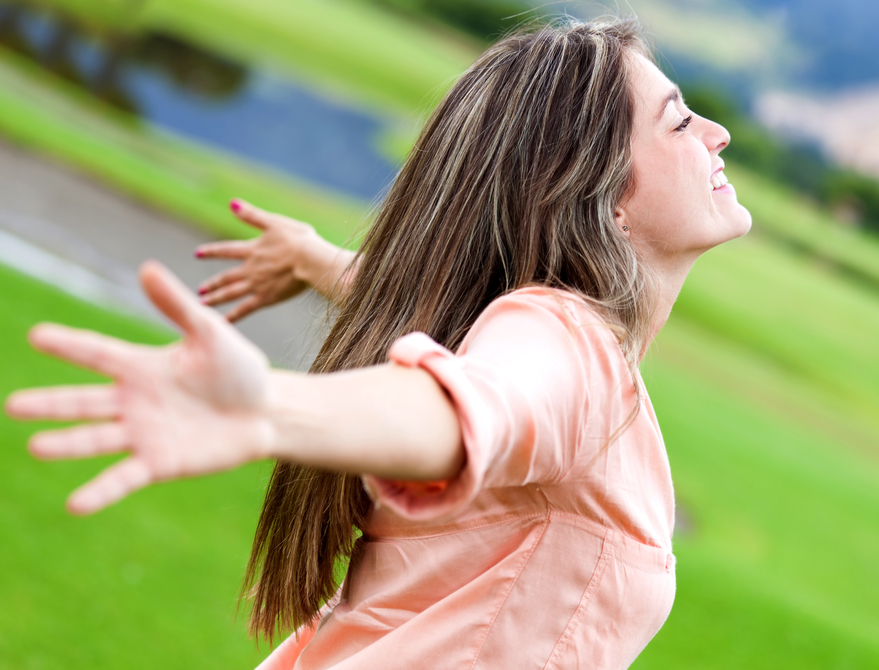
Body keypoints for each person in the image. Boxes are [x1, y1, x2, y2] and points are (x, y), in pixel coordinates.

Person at [5, 17, 750, 669]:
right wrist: (268, 407)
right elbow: (463, 409)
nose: (718, 135)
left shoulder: (565, 345)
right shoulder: (569, 343)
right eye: (679, 123)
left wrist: (319, 263)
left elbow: (458, 337)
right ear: (606, 198)